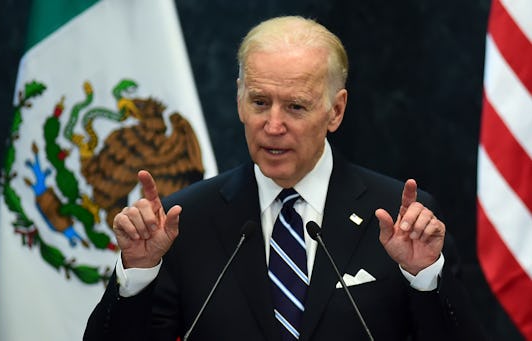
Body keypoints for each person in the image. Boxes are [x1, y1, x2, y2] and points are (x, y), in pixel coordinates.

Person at [84, 16, 485, 340]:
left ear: (336, 110)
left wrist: (425, 278)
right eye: (260, 102)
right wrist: (137, 273)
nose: (273, 126)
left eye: (295, 106)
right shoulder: (183, 222)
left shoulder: (400, 218)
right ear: (239, 100)